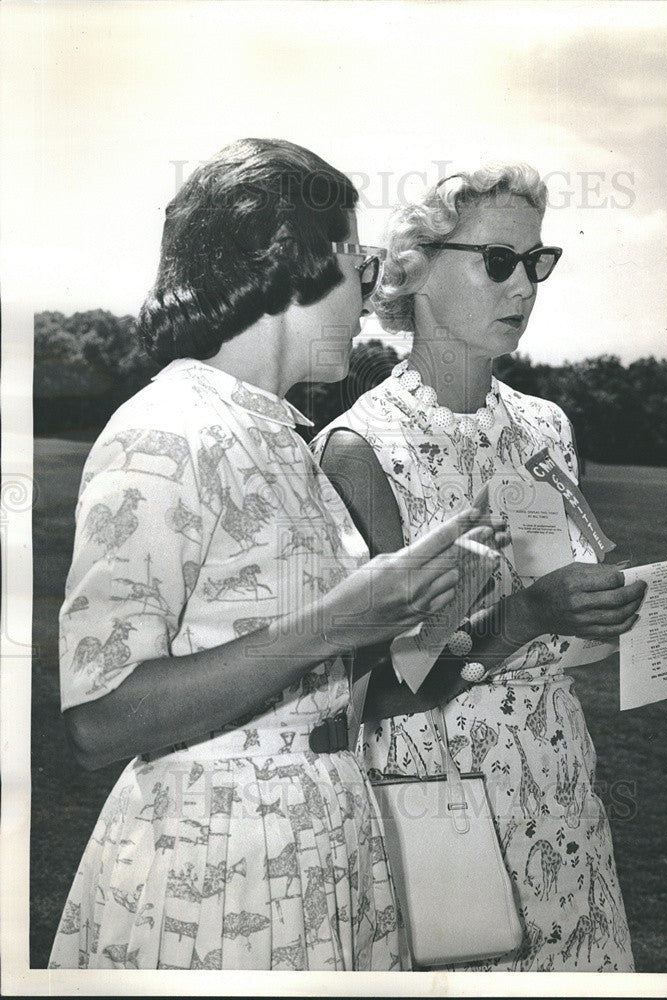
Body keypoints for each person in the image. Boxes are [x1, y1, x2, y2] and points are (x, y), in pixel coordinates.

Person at [48, 139, 503, 971]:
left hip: (323, 854)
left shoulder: (283, 434)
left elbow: (313, 682)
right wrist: (334, 622)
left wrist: (423, 611)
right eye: (358, 265)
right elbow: (96, 720)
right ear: (293, 263)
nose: (369, 303)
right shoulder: (165, 431)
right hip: (216, 877)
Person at [314, 164, 667, 971]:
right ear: (411, 268)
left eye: (535, 262)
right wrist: (528, 615)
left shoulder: (543, 426)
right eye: (496, 261)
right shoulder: (358, 450)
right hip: (432, 806)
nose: (523, 284)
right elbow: (374, 690)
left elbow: (569, 641)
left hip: (558, 792)